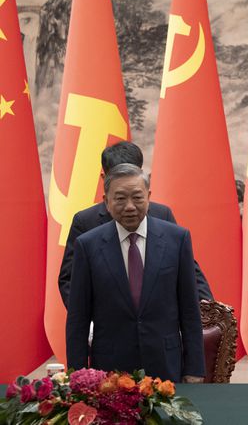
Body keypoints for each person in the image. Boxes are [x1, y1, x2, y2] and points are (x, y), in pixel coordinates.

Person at [66, 164, 205, 382]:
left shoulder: (177, 239)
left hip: (165, 365)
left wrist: (195, 368)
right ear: (106, 202)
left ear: (148, 197)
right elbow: (78, 318)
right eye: (120, 198)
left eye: (137, 198)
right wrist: (78, 374)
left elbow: (190, 310)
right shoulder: (88, 245)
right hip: (110, 370)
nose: (130, 206)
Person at [58, 141, 213, 306]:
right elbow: (70, 280)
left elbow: (187, 269)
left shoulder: (162, 214)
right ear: (104, 179)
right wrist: (90, 323)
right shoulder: (86, 221)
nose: (130, 206)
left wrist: (209, 309)